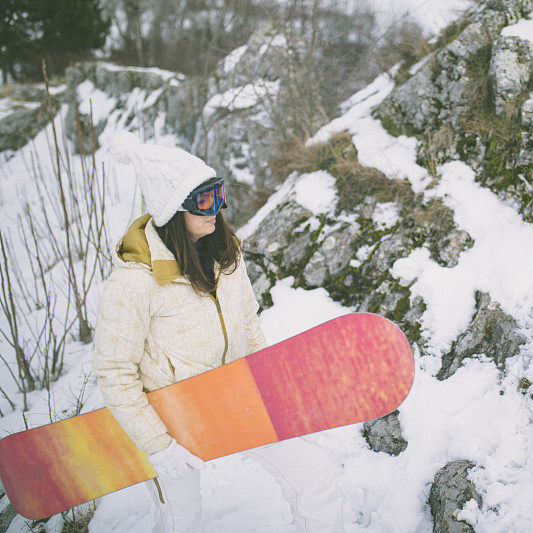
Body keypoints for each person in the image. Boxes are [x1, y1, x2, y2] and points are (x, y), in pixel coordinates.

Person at [92, 132, 344, 532]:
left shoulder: (226, 253)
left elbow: (248, 322)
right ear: (172, 210)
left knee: (314, 474)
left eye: (219, 194)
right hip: (172, 419)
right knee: (183, 520)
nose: (218, 208)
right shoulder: (134, 282)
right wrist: (160, 447)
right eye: (205, 200)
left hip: (236, 395)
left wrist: (265, 383)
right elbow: (114, 372)